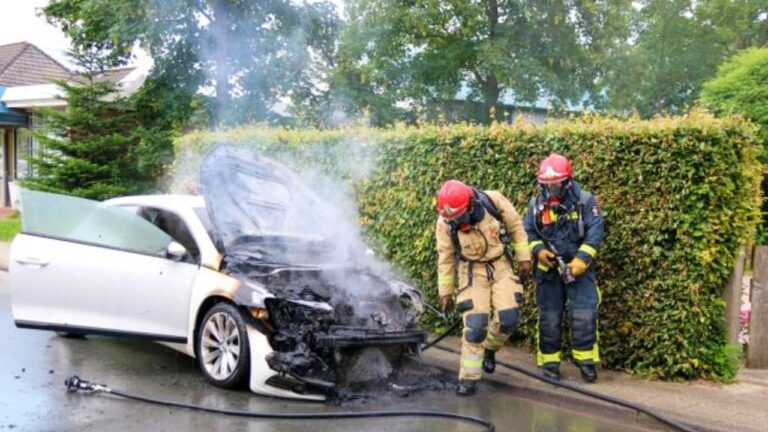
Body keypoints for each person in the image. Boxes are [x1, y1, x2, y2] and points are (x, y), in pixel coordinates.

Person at [435, 179, 532, 396]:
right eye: (452, 218)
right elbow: (446, 257)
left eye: (460, 216)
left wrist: (524, 258)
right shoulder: (445, 222)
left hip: (500, 266)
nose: (457, 222)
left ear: (471, 205)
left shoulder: (493, 200)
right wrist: (445, 293)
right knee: (476, 325)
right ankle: (468, 378)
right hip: (471, 272)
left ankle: (490, 349)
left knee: (509, 319)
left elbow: (516, 228)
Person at [523, 154, 604, 382]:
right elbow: (528, 232)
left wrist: (579, 261)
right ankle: (550, 365)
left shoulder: (585, 202)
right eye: (547, 185)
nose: (551, 189)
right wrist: (539, 251)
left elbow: (595, 233)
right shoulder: (536, 205)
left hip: (579, 269)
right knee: (549, 318)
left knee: (584, 315)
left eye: (555, 184)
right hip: (549, 271)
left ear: (567, 182)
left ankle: (586, 362)